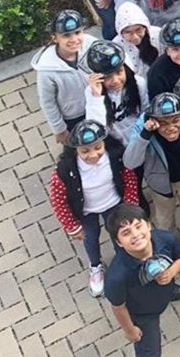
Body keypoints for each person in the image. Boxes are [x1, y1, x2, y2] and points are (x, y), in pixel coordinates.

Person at [48, 120, 141, 297]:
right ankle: (95, 266)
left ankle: (126, 262)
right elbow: (58, 200)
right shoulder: (64, 169)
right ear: (75, 150)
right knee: (90, 238)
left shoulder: (116, 156)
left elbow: (129, 179)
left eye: (98, 147)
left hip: (114, 205)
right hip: (86, 211)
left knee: (120, 236)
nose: (93, 155)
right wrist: (71, 226)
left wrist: (130, 205)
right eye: (85, 151)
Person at [123, 92, 180, 258]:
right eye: (163, 123)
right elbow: (130, 162)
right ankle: (167, 239)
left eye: (175, 121)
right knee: (164, 216)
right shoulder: (144, 129)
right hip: (160, 183)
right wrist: (145, 135)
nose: (170, 128)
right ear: (153, 121)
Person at [103, 205, 180, 356]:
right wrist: (130, 330)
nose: (135, 235)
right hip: (143, 314)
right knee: (150, 352)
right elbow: (119, 307)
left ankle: (169, 293)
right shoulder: (116, 277)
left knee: (165, 289)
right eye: (126, 233)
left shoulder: (166, 238)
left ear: (148, 225)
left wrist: (171, 272)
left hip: (165, 288)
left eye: (138, 226)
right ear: (119, 242)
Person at [34, 9, 96, 145]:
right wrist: (59, 129)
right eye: (66, 35)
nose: (74, 39)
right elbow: (47, 102)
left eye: (78, 32)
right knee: (80, 146)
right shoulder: (47, 69)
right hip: (74, 117)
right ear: (55, 38)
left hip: (98, 103)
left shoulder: (92, 45)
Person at [84, 40, 150, 149]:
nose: (115, 80)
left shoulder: (138, 83)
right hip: (115, 144)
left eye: (119, 72)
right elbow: (95, 127)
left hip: (140, 136)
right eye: (107, 77)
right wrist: (96, 97)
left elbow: (145, 110)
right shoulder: (92, 92)